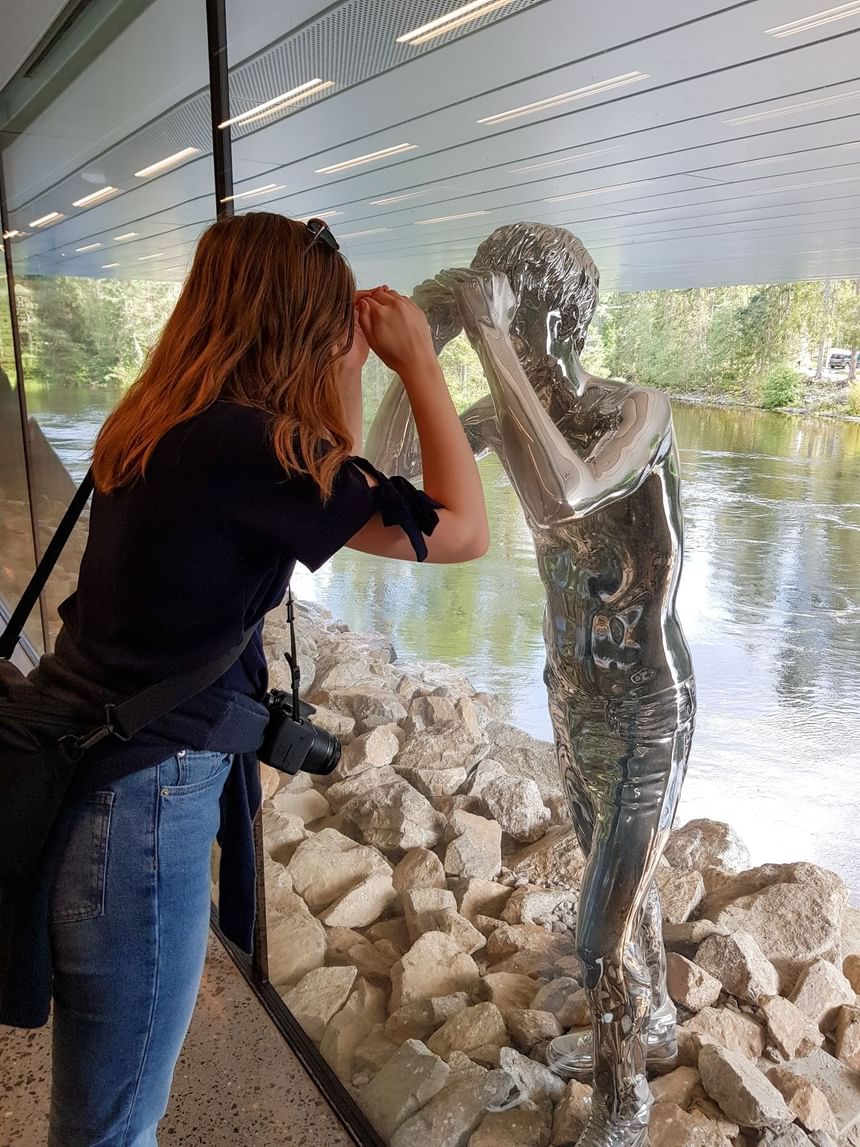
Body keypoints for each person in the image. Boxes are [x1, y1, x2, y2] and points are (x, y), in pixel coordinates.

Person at [14, 211, 488, 1146]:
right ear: (299, 326)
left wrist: (342, 372)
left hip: (90, 774)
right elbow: (461, 529)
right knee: (112, 1127)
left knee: (102, 1103)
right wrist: (419, 365)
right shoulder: (253, 450)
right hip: (141, 802)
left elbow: (336, 470)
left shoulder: (161, 419)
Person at [366, 223, 695, 1147]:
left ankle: (624, 1105)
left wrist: (493, 342)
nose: (491, 326)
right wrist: (420, 355)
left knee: (598, 921)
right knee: (619, 878)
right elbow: (391, 477)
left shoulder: (642, 410)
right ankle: (656, 1016)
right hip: (570, 695)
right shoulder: (507, 410)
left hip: (647, 709)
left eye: (503, 309)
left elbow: (568, 494)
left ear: (552, 319)